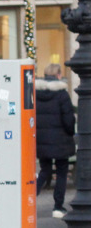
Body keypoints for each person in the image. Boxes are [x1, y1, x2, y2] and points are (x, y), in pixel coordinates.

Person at [35, 63, 77, 219]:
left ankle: (30, 200)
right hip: (60, 140)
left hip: (42, 140)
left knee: (45, 170)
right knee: (61, 172)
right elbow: (69, 120)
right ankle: (58, 207)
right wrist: (70, 132)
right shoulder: (62, 94)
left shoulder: (36, 94)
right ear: (58, 75)